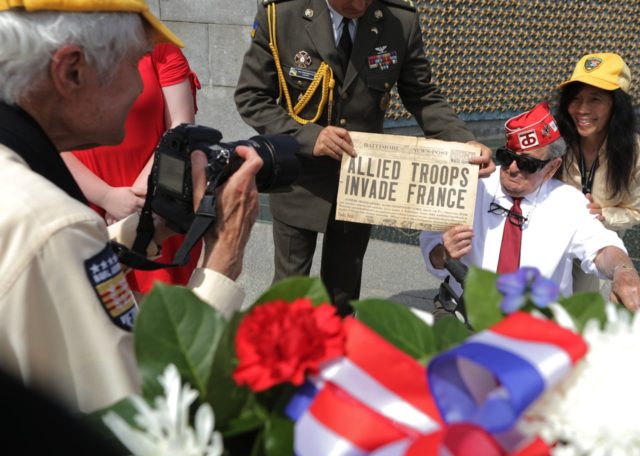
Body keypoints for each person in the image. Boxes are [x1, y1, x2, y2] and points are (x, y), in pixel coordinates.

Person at [0, 1, 261, 413]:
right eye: (133, 64)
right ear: (72, 71)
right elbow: (141, 411)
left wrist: (146, 229)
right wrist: (224, 259)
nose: (141, 88)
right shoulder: (52, 225)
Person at [234, 0, 494, 315]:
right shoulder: (282, 15)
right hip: (300, 178)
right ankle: (281, 359)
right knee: (288, 288)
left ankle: (336, 359)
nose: (358, 4)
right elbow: (252, 96)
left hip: (363, 181)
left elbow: (421, 94)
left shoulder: (399, 20)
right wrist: (309, 136)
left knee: (343, 292)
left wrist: (464, 140)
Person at [420, 102, 640, 312]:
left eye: (527, 164)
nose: (513, 169)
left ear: (552, 168)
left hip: (538, 321)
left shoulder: (569, 202)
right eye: (506, 157)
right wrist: (444, 254)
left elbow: (602, 249)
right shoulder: (470, 185)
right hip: (464, 308)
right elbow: (431, 246)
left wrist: (623, 270)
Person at [61, 43, 203, 295]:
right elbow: (46, 138)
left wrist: (138, 198)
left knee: (163, 312)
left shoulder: (160, 48)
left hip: (155, 200)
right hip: (81, 202)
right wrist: (106, 196)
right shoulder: (52, 55)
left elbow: (182, 127)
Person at [554, 52, 640, 292]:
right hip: (551, 237)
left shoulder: (635, 152)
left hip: (596, 246)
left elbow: (635, 210)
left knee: (577, 306)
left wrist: (604, 213)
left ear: (616, 105)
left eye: (595, 99)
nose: (582, 109)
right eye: (576, 99)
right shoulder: (554, 139)